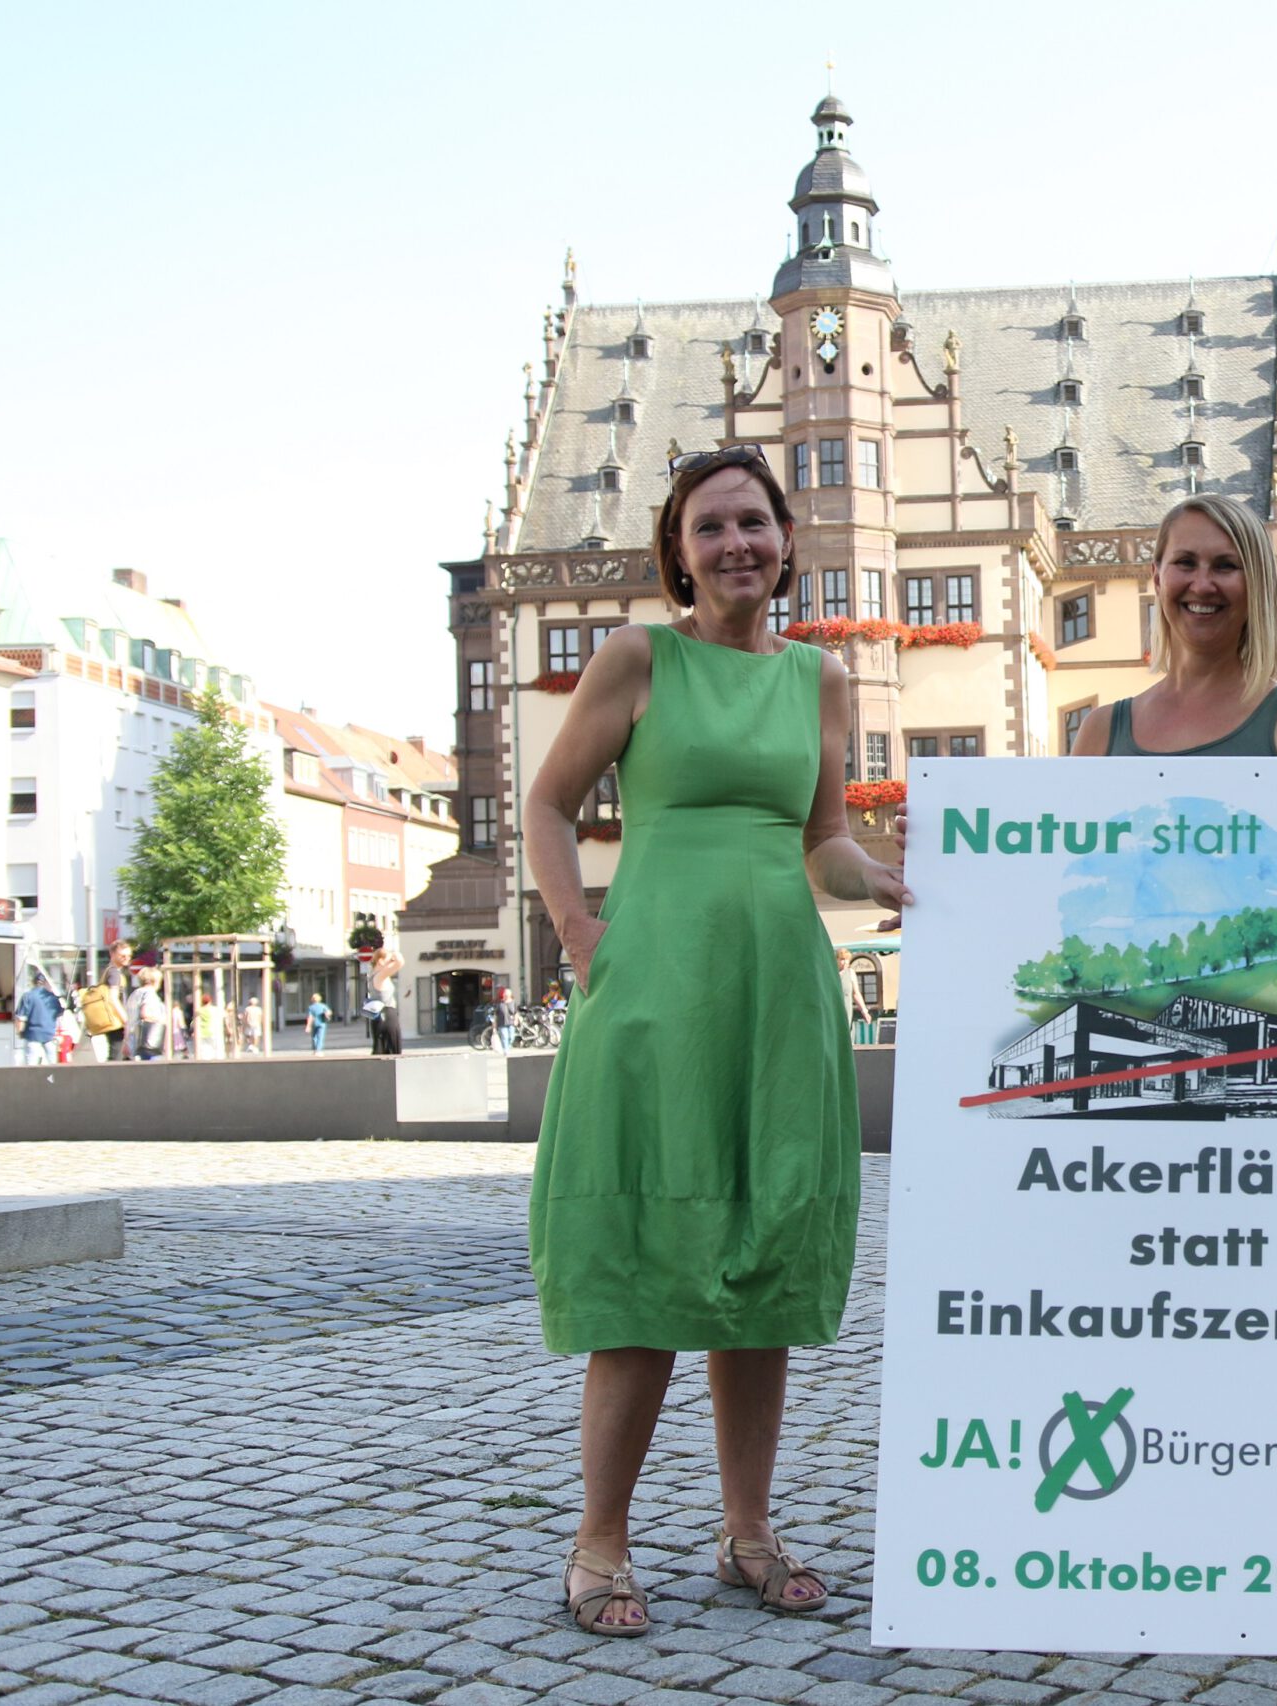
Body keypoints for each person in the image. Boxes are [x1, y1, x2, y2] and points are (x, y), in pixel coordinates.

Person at [526, 442, 909, 1638]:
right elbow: (547, 801)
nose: (736, 543)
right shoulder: (641, 657)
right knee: (646, 1259)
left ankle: (748, 1529)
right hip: (653, 985)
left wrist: (915, 878)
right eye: (711, 527)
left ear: (787, 540)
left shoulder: (821, 682)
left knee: (759, 1266)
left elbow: (823, 843)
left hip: (778, 986)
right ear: (678, 550)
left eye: (754, 522)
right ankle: (601, 1538)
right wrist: (581, 931)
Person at [1067, 494, 1277, 758]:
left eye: (1225, 566)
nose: (1202, 586)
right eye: (1185, 563)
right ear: (1158, 578)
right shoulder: (1099, 734)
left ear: (1256, 584)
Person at [81, 943, 132, 1061]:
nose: (126, 958)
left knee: (119, 1053)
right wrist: (125, 1019)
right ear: (112, 954)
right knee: (116, 1053)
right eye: (122, 955)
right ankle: (110, 1078)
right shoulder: (114, 973)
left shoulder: (109, 971)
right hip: (115, 1019)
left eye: (129, 956)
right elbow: (113, 998)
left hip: (111, 1018)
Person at [13, 969, 64, 1065]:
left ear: (33, 982)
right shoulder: (51, 997)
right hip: (49, 1035)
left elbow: (20, 1018)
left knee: (31, 1065)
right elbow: (60, 1015)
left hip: (32, 1035)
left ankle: (32, 1080)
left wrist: (19, 1032)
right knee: (52, 1065)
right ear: (44, 983)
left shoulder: (28, 996)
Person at [367, 950, 404, 1055]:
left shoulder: (373, 975)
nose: (391, 962)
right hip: (387, 1013)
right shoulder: (380, 975)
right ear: (381, 961)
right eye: (389, 960)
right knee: (391, 1046)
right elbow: (400, 962)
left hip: (378, 1013)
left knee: (380, 1045)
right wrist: (395, 954)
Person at [192, 983, 229, 1061]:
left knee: (204, 1049)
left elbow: (193, 1023)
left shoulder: (199, 1010)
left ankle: (206, 1061)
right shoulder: (215, 1009)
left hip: (202, 1032)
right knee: (215, 1048)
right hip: (214, 1031)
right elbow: (225, 1015)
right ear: (210, 1001)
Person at [495, 985, 518, 1054]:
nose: (506, 995)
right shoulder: (500, 1003)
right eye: (505, 994)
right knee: (505, 1036)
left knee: (511, 1037)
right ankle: (506, 1050)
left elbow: (516, 1012)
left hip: (511, 1023)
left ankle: (507, 1046)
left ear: (510, 995)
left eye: (507, 994)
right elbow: (495, 1014)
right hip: (502, 1023)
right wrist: (494, 1026)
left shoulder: (513, 1002)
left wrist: (516, 1020)